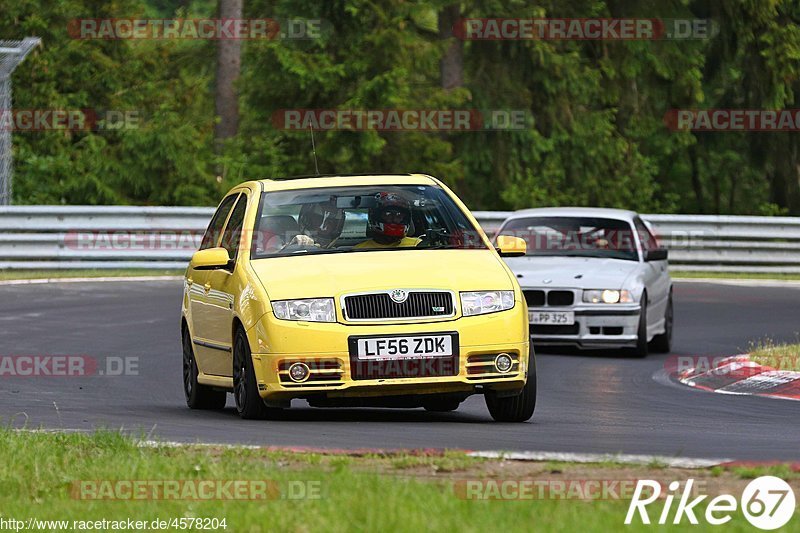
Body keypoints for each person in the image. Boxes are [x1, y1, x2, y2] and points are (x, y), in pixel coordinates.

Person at [355, 192, 421, 249]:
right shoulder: (358, 250)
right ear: (376, 217)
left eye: (398, 215)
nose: (394, 219)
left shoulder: (418, 245)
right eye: (388, 214)